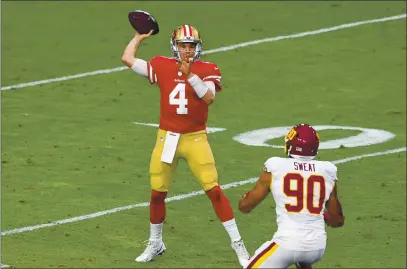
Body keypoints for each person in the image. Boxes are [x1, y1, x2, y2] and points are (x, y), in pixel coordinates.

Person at [121, 24, 251, 267]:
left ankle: (239, 247)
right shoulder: (162, 65)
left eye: (191, 46)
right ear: (175, 47)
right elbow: (127, 58)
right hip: (167, 138)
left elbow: (209, 97)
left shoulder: (207, 69)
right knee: (157, 193)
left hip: (195, 139)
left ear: (198, 48)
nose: (187, 50)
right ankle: (155, 243)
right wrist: (138, 37)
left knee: (214, 190)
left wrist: (190, 74)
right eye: (183, 45)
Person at [238, 123, 345, 269]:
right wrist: (319, 216)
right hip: (317, 248)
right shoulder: (327, 170)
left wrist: (245, 198)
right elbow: (337, 220)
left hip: (287, 245)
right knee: (303, 261)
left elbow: (245, 206)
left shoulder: (275, 165)